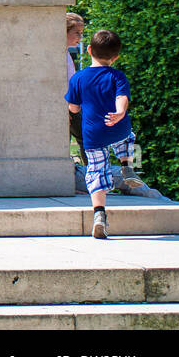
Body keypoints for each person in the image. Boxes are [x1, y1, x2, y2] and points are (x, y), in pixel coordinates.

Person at [65, 29, 146, 238]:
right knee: (127, 137)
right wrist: (120, 112)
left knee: (96, 171)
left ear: (89, 50)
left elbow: (73, 107)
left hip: (93, 134)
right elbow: (122, 97)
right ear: (116, 56)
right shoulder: (118, 76)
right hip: (117, 126)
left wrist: (76, 109)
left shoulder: (78, 78)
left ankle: (99, 215)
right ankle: (127, 166)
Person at [65, 12, 86, 166]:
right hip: (69, 106)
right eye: (76, 33)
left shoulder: (66, 53)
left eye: (81, 33)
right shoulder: (59, 55)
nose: (80, 37)